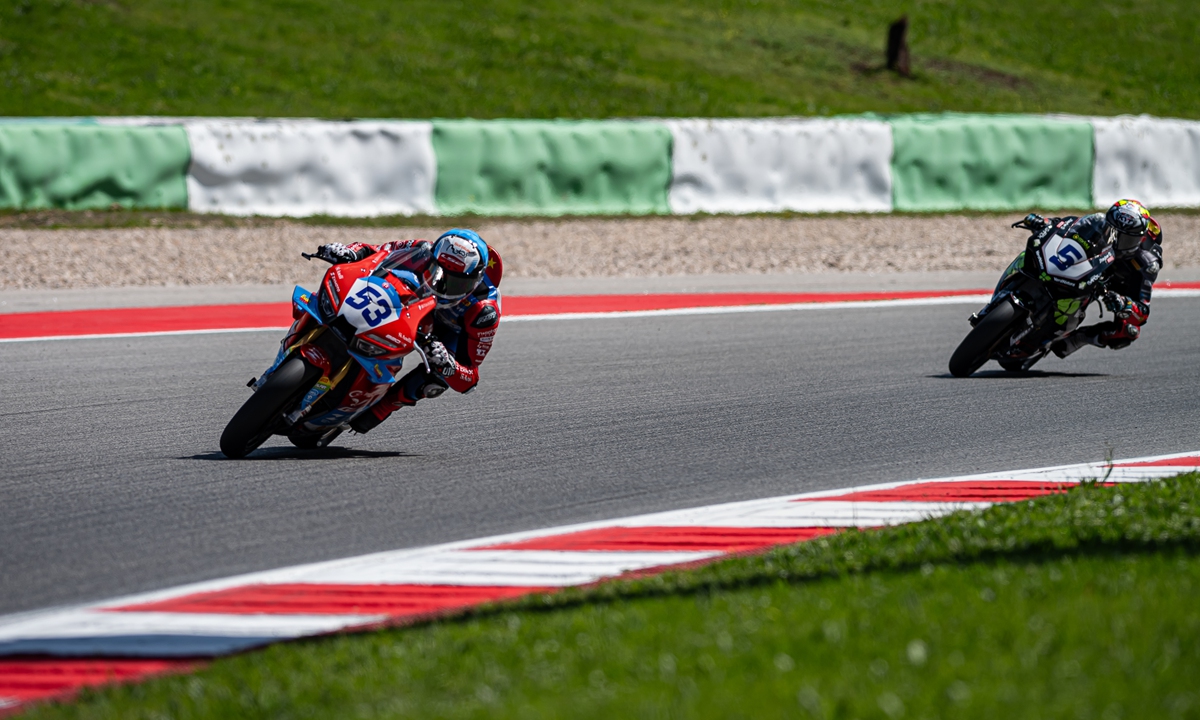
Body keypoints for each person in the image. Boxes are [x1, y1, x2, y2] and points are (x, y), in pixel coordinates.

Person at [311, 229, 501, 434]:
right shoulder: (422, 248)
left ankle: (383, 407)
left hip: (449, 331)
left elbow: (469, 380)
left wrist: (447, 364)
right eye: (438, 273)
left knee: (435, 379)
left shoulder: (484, 312)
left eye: (455, 283)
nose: (444, 287)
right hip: (419, 300)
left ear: (474, 281)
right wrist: (349, 251)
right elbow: (377, 251)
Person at [1018, 199, 1163, 358]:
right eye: (1113, 233)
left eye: (1126, 239)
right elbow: (1068, 226)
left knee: (1129, 331)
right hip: (1094, 261)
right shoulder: (1099, 222)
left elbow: (1142, 313)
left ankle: (1080, 338)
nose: (1116, 241)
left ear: (1140, 239)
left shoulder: (1146, 264)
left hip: (1116, 284)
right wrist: (1046, 222)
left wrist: (1124, 304)